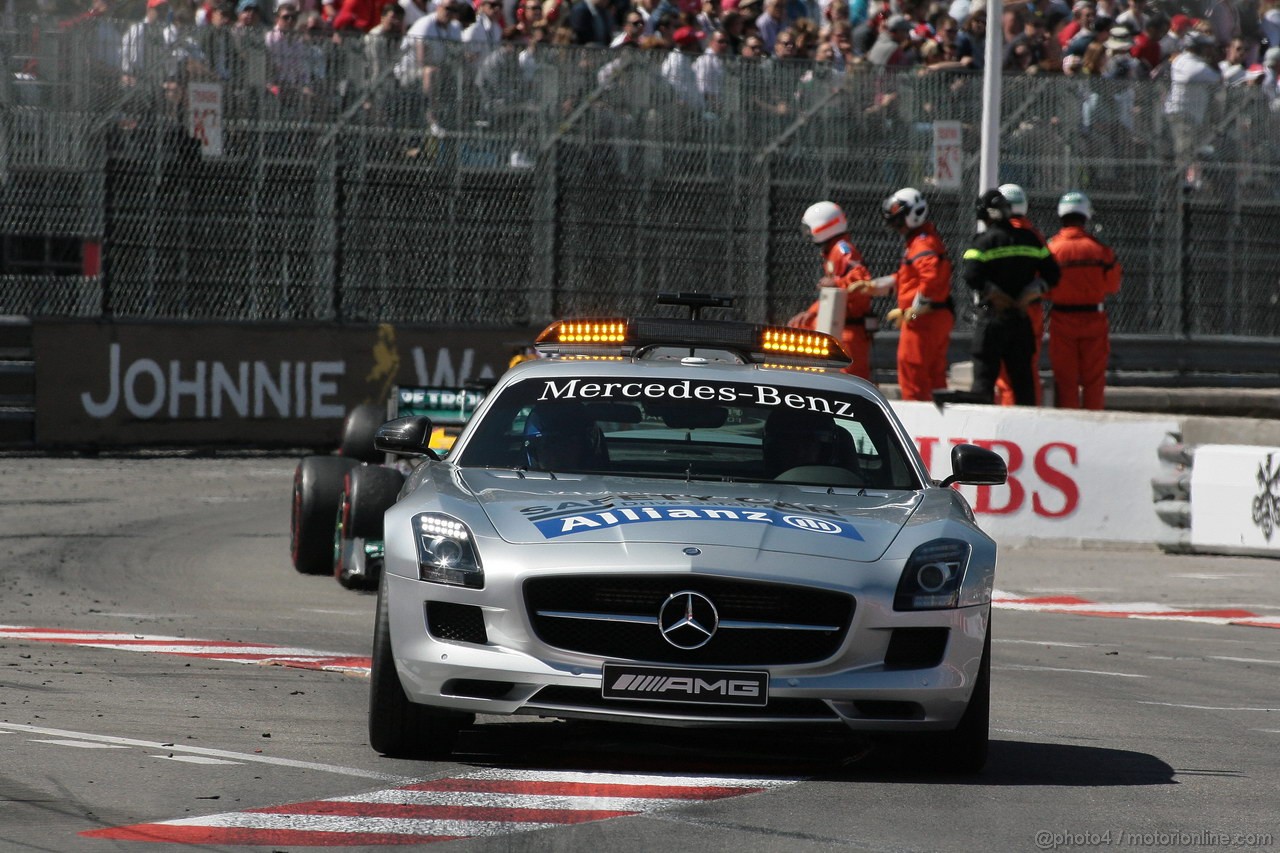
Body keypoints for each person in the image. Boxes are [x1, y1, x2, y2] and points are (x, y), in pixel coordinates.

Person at [957, 189, 1060, 406]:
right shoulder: (1030, 238)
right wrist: (1026, 296)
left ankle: (983, 435)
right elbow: (1053, 274)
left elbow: (971, 276)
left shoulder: (984, 242)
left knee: (984, 380)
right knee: (1024, 382)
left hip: (993, 320)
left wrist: (997, 296)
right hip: (1021, 320)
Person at [866, 187, 955, 403]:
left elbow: (930, 279)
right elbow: (909, 278)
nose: (896, 226)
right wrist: (874, 285)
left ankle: (916, 431)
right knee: (934, 379)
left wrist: (911, 313)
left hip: (923, 322)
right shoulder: (922, 240)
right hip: (932, 317)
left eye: (898, 220)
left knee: (913, 377)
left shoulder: (921, 243)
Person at [1045, 191, 1121, 410]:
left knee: (1066, 381)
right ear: (1086, 216)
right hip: (1094, 319)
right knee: (1094, 381)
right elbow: (1113, 285)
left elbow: (1043, 288)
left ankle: (1070, 431)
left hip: (1062, 319)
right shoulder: (1100, 250)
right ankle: (1094, 429)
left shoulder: (1052, 250)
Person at [788, 201, 876, 381]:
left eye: (810, 228)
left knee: (851, 380)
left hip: (850, 330)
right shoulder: (834, 251)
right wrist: (811, 313)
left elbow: (862, 281)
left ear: (822, 227)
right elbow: (834, 296)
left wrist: (836, 281)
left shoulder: (843, 250)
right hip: (842, 326)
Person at [989, 183, 1046, 406]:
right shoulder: (1035, 236)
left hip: (1001, 311)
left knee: (1006, 374)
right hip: (1030, 310)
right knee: (1027, 369)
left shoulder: (995, 236)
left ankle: (1010, 420)